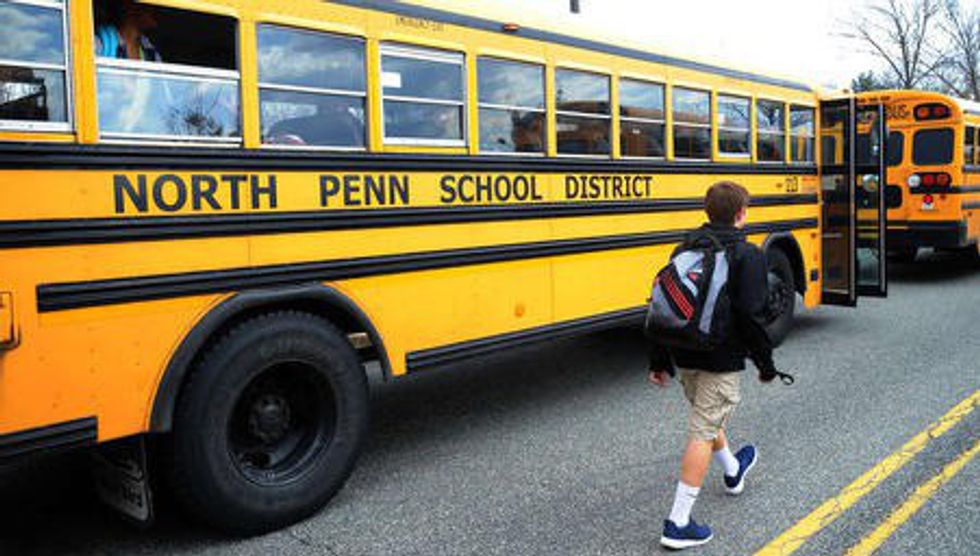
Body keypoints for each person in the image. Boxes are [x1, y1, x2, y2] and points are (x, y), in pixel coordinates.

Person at [648, 181, 780, 550]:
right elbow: (751, 316)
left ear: (708, 211)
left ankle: (733, 470)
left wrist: (659, 360)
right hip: (721, 357)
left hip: (684, 352)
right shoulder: (748, 254)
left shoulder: (685, 248)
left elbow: (661, 304)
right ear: (741, 213)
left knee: (707, 414)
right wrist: (765, 364)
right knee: (703, 430)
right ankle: (678, 522)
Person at [94, 0, 162, 62]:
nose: (155, 10)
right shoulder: (101, 42)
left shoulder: (150, 52)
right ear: (134, 10)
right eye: (149, 7)